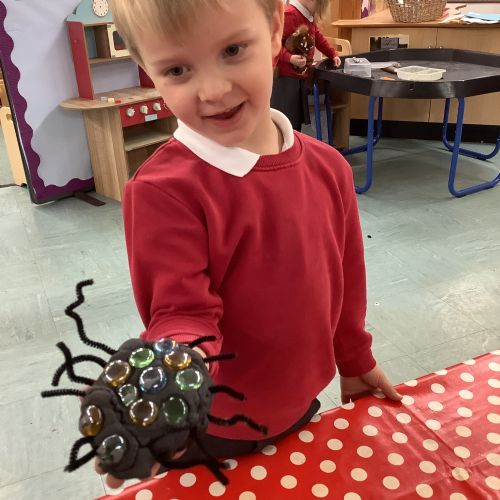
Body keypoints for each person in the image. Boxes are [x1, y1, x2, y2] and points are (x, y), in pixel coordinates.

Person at [106, 0, 402, 489]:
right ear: (147, 70)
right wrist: (165, 390)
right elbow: (182, 314)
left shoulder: (329, 168)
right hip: (209, 428)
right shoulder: (162, 191)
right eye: (177, 70)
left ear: (273, 31)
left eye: (232, 50)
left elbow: (345, 278)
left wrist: (354, 359)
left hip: (302, 400)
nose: (213, 90)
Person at [271, 0, 342, 131]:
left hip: (297, 77)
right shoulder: (290, 15)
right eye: (320, 6)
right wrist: (289, 58)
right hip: (284, 79)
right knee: (286, 122)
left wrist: (332, 54)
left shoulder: (307, 15)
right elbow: (272, 44)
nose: (320, 11)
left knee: (295, 121)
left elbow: (318, 37)